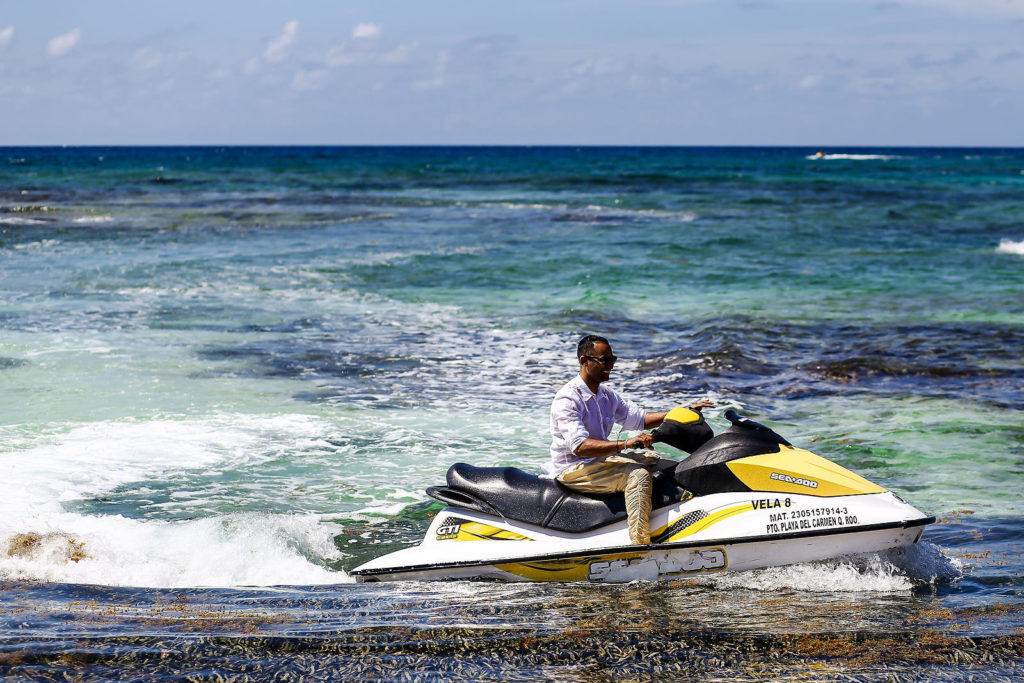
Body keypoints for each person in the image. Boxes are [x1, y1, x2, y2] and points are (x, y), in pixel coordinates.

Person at [546, 335, 714, 545]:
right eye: (604, 360)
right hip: (574, 469)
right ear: (584, 361)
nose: (610, 366)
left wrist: (681, 411)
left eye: (612, 360)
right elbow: (580, 447)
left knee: (656, 461)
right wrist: (626, 443)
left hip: (601, 462)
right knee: (639, 476)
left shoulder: (605, 395)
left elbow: (640, 419)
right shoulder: (568, 399)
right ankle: (640, 544)